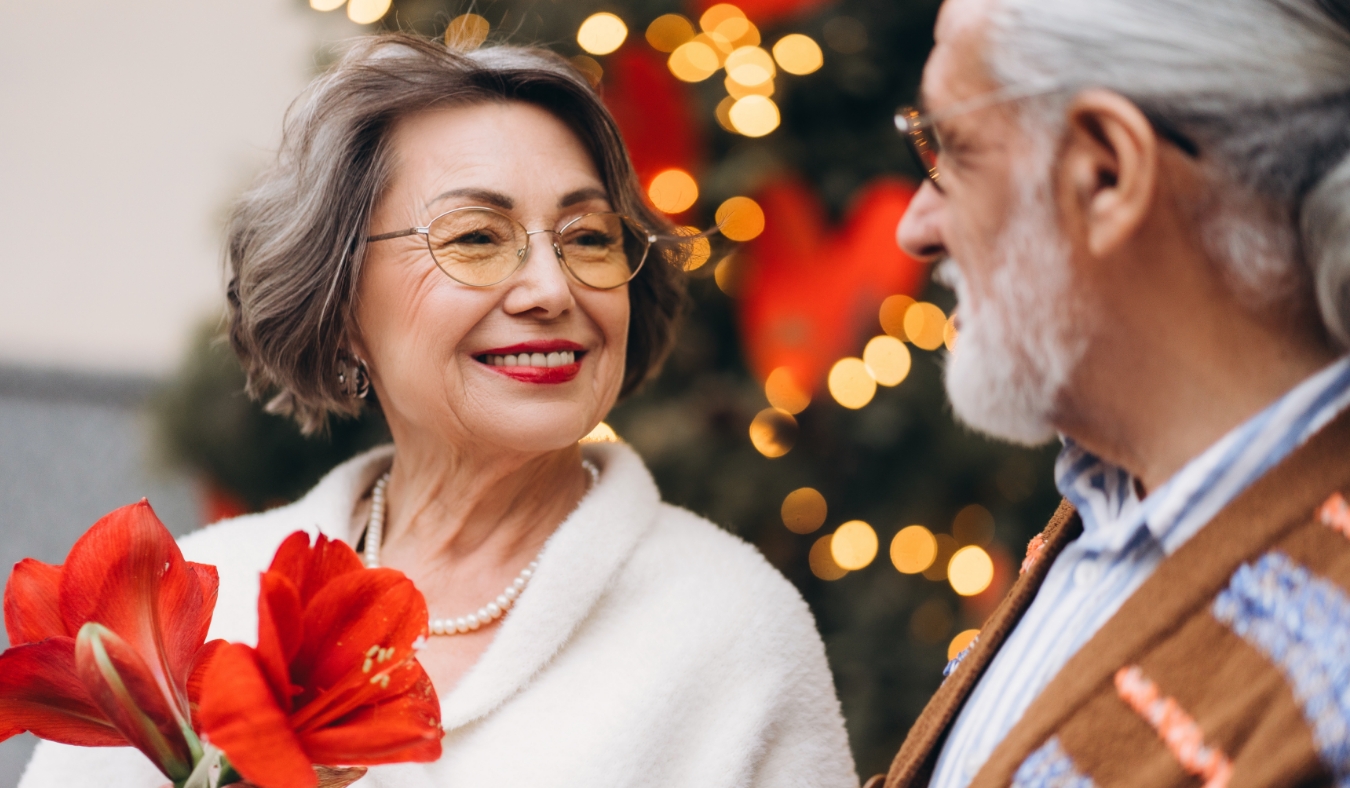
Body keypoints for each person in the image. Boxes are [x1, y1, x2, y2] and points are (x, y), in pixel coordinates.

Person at [19, 34, 857, 788]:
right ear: (341, 303)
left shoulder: (731, 629)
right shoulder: (192, 608)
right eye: (476, 238)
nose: (551, 289)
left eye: (590, 238)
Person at [871, 0, 1350, 785]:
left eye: (953, 150)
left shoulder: (1330, 681)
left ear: (1106, 173)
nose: (915, 227)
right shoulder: (1103, 508)